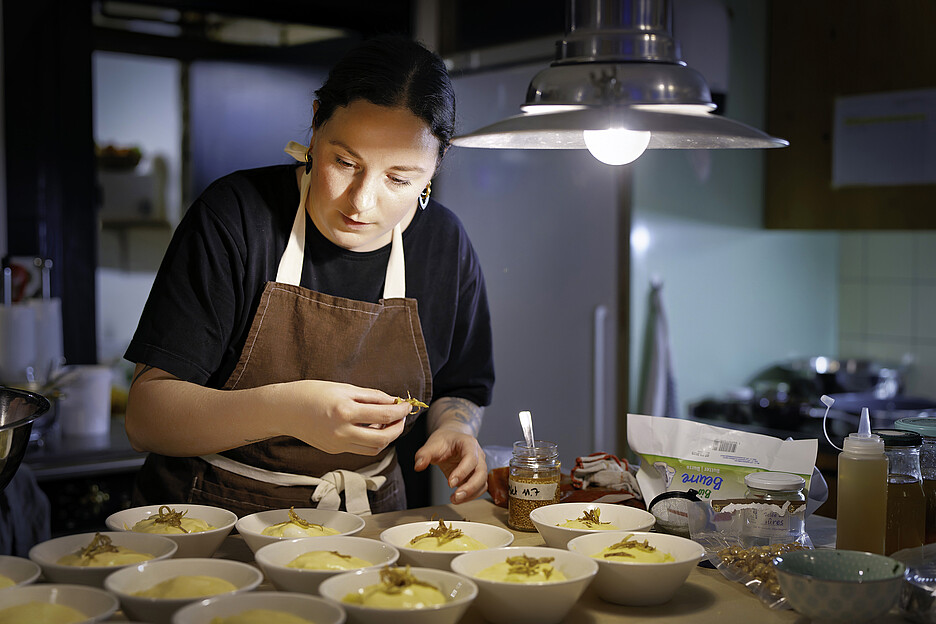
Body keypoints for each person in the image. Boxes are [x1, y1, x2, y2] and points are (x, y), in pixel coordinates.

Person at [124, 35, 494, 517]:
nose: (361, 202)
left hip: (369, 528)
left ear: (436, 164)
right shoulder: (235, 216)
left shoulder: (445, 242)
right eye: (345, 162)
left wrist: (455, 428)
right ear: (316, 123)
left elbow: (461, 386)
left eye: (399, 179)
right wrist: (289, 410)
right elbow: (146, 418)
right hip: (212, 522)